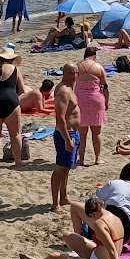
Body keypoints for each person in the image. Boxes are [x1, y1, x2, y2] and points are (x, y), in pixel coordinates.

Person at [20, 196, 128, 259]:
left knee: (55, 257)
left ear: (92, 215)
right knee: (68, 235)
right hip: (97, 254)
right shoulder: (114, 217)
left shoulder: (99, 224)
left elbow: (112, 250)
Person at [0, 48, 25, 168]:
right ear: (12, 59)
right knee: (15, 134)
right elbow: (22, 90)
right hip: (10, 101)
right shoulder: (15, 70)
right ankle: (18, 161)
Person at [92, 161, 130, 247]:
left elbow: (100, 195)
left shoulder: (114, 183)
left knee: (90, 201)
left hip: (105, 228)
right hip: (124, 235)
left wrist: (99, 187)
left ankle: (81, 233)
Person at [50, 65, 81, 211]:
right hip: (65, 134)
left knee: (67, 167)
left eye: (77, 73)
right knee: (60, 168)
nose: (76, 76)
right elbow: (60, 118)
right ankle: (55, 202)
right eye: (73, 73)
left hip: (74, 132)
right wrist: (67, 139)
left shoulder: (70, 88)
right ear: (66, 73)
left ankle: (63, 196)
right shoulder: (62, 91)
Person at [74, 46, 110, 166]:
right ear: (94, 56)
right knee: (97, 132)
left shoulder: (77, 67)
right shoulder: (98, 67)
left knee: (82, 132)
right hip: (95, 98)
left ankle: (81, 159)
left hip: (80, 99)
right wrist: (107, 101)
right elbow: (105, 86)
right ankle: (98, 158)